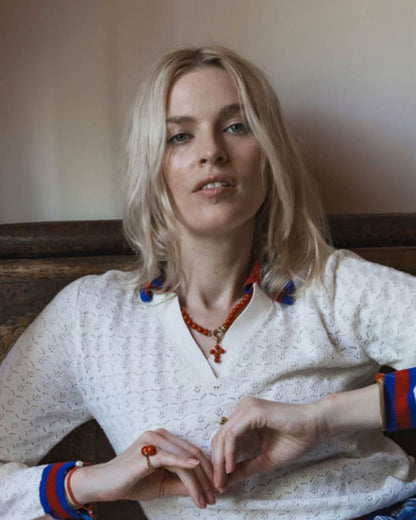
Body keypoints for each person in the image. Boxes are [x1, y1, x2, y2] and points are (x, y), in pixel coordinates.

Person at [1, 46, 416, 520]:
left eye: (237, 127)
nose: (212, 152)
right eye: (179, 136)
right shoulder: (90, 318)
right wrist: (90, 482)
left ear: (269, 154)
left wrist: (323, 417)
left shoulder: (333, 286)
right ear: (151, 165)